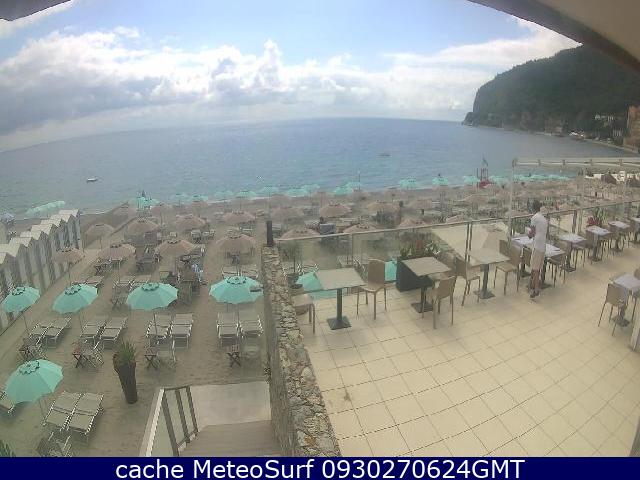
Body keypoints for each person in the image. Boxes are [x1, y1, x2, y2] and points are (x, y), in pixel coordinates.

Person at [528, 200, 548, 299]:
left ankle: (536, 290)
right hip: (543, 245)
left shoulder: (534, 218)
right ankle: (533, 284)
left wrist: (528, 234)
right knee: (537, 267)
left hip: (537, 245)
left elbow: (531, 233)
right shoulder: (544, 219)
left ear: (532, 208)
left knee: (535, 269)